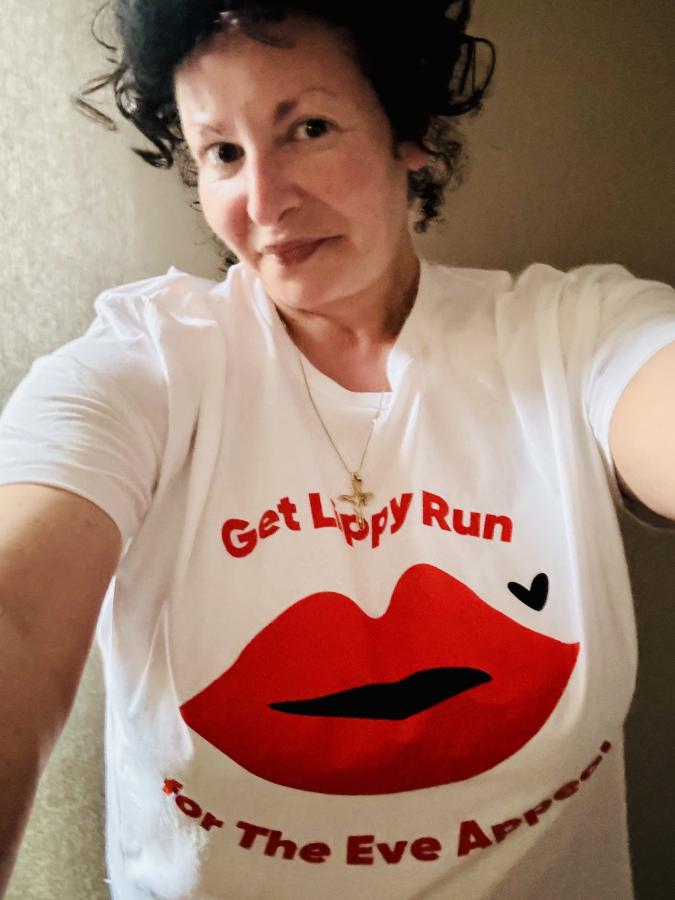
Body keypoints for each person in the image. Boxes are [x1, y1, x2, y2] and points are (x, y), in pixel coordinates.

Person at [0, 2, 674, 898]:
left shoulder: (571, 335)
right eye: (222, 152)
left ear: (409, 131)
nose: (263, 202)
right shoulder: (146, 363)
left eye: (308, 129)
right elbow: (16, 620)